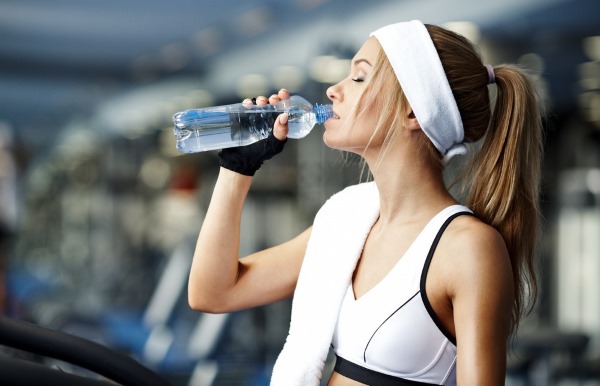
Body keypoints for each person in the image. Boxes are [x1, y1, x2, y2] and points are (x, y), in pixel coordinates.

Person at [187, 19, 543, 386]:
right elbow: (213, 293)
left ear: (412, 112)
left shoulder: (467, 248)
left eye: (359, 78)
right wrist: (237, 168)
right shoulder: (346, 221)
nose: (332, 90)